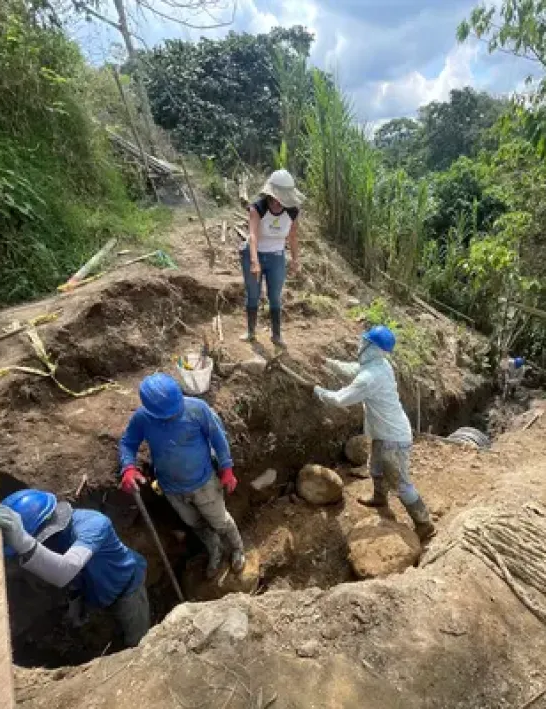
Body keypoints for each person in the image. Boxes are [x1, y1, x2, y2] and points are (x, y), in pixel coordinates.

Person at [313, 325, 436, 540]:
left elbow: (342, 399)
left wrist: (319, 392)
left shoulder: (370, 377)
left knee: (402, 484)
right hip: (384, 432)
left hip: (394, 438)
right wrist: (328, 364)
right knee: (376, 468)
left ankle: (424, 523)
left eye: (365, 341)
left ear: (372, 347)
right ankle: (380, 498)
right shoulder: (379, 365)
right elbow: (354, 369)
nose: (361, 344)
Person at [0, 488, 150, 647]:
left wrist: (23, 542)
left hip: (126, 586)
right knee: (104, 620)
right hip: (93, 587)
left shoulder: (93, 525)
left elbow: (65, 570)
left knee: (137, 640)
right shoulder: (54, 539)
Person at [119, 373, 245, 578]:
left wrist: (227, 469)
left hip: (203, 483)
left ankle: (237, 548)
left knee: (220, 521)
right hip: (172, 488)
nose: (173, 416)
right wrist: (128, 467)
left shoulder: (197, 409)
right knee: (195, 523)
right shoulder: (143, 418)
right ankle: (216, 550)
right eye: (167, 414)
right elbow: (128, 442)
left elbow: (218, 437)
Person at [240, 169, 304, 347]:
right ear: (270, 195)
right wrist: (254, 261)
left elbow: (292, 236)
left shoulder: (292, 211)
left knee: (275, 296)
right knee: (253, 294)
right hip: (253, 253)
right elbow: (252, 235)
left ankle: (276, 335)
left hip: (276, 256)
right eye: (277, 197)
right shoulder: (257, 208)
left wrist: (295, 259)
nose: (278, 202)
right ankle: (251, 332)